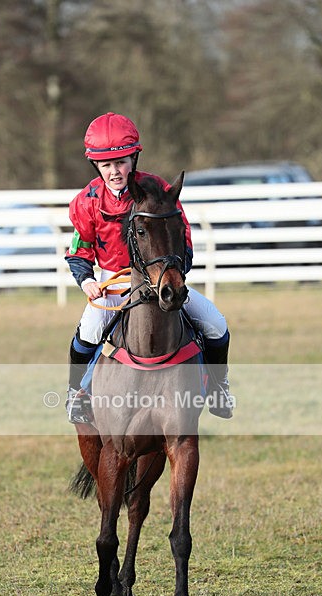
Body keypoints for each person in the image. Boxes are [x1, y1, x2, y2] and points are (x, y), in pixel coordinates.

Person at [65, 111, 234, 423]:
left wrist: (173, 273)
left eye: (121, 162)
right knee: (89, 330)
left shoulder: (158, 190)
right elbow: (79, 251)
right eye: (106, 165)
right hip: (113, 283)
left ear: (134, 159)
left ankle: (218, 388)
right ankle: (76, 393)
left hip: (159, 278)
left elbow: (183, 238)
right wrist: (86, 280)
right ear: (96, 166)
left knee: (215, 324)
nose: (115, 171)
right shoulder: (87, 201)